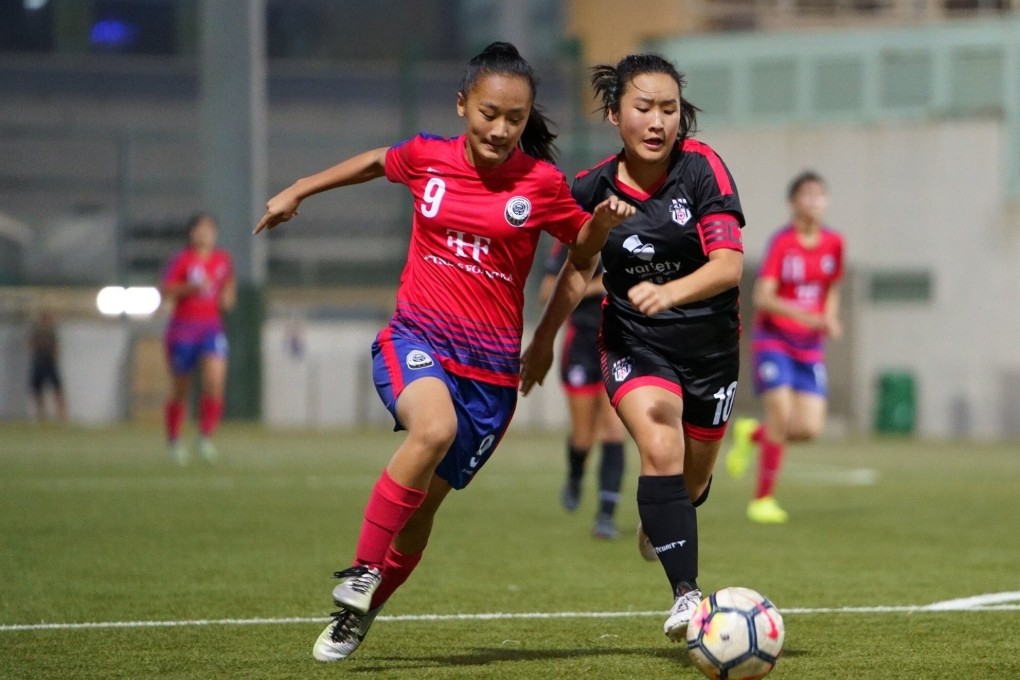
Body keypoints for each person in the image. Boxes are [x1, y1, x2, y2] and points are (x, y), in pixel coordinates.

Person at [253, 42, 634, 663]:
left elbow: (582, 249)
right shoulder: (429, 157)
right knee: (432, 429)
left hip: (490, 378)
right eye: (489, 113)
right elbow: (379, 160)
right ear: (463, 105)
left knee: (424, 508)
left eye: (515, 119)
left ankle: (358, 614)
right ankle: (360, 571)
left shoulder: (539, 183)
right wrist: (300, 188)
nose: (501, 129)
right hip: (416, 338)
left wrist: (601, 226)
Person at [520, 52, 745, 643]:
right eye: (643, 108)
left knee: (690, 483)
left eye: (669, 109)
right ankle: (687, 598)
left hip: (711, 354)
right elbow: (574, 271)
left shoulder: (702, 170)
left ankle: (662, 519)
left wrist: (669, 292)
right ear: (616, 115)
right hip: (634, 343)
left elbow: (727, 266)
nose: (657, 121)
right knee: (659, 440)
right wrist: (542, 341)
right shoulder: (591, 189)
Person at [725, 171, 844, 524]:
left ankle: (751, 433)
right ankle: (762, 499)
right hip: (774, 341)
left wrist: (830, 316)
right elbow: (763, 297)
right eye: (806, 195)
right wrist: (806, 315)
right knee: (782, 416)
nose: (814, 201)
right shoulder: (782, 243)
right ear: (793, 202)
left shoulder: (834, 243)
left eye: (819, 195)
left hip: (810, 349)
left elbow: (832, 288)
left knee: (808, 429)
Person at [538, 241, 627, 539]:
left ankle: (606, 514)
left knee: (614, 429)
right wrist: (596, 284)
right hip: (581, 345)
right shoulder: (572, 240)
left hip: (620, 343)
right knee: (583, 437)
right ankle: (575, 476)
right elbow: (546, 293)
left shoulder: (635, 234)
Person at [160, 212, 236, 465]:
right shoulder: (182, 260)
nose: (204, 233)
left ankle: (205, 438)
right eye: (200, 229)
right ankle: (173, 439)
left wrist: (227, 296)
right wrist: (191, 288)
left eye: (209, 229)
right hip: (183, 329)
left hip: (211, 328)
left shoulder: (222, 260)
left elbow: (227, 288)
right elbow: (167, 289)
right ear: (191, 233)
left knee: (215, 380)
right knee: (181, 388)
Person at [28, 308, 67, 421]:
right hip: (39, 362)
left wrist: (53, 353)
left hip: (50, 362)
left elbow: (56, 347)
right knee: (37, 390)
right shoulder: (36, 330)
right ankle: (41, 414)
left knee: (57, 389)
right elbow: (29, 344)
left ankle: (62, 414)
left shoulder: (52, 331)